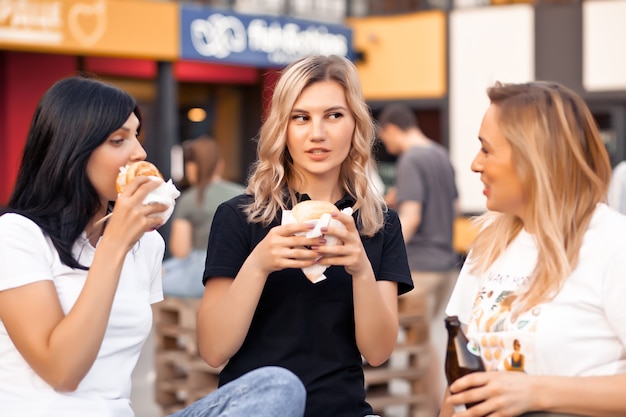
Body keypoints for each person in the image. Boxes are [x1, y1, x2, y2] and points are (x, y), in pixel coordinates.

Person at [0, 75, 306, 417]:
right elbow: (62, 372)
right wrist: (114, 244)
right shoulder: (17, 236)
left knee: (278, 387)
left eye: (136, 136)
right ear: (72, 150)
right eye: (118, 140)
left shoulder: (145, 245)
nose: (139, 152)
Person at [197, 55, 414, 417]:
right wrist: (259, 264)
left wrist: (361, 269)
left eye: (333, 115)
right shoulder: (240, 216)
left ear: (355, 124)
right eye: (301, 117)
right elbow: (213, 350)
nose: (317, 133)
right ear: (283, 127)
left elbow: (377, 353)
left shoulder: (380, 223)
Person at [440, 81, 626, 417]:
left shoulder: (613, 244)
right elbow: (459, 390)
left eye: (486, 149)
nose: (474, 164)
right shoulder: (489, 244)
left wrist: (537, 392)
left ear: (533, 157)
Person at [377, 102, 460, 415]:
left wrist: (383, 256)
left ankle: (428, 412)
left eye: (386, 140)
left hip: (419, 269)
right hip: (445, 266)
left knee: (420, 352)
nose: (388, 146)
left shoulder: (411, 159)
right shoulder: (440, 154)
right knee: (428, 344)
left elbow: (411, 217)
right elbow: (453, 207)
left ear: (393, 129)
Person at [163, 135, 245, 297]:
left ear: (192, 167)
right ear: (220, 164)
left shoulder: (190, 199)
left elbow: (181, 250)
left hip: (202, 274)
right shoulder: (244, 193)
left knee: (152, 281)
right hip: (241, 270)